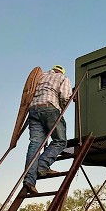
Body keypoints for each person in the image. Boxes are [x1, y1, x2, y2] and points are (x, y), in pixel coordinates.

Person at [23, 65, 72, 193]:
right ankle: (42, 166)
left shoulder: (40, 77)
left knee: (35, 145)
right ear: (61, 71)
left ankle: (29, 180)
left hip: (33, 111)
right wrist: (61, 109)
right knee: (60, 141)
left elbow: (29, 91)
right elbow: (65, 97)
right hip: (50, 108)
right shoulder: (63, 78)